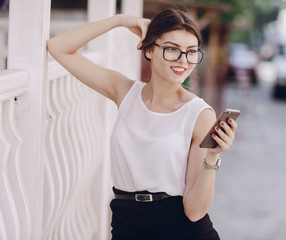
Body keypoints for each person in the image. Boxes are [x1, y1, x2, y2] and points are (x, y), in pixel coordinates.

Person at [47, 8, 238, 240]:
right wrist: (120, 20)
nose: (183, 60)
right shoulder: (124, 91)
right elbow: (58, 48)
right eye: (172, 49)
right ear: (148, 49)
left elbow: (195, 211)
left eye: (191, 52)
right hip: (127, 223)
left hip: (179, 229)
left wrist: (212, 157)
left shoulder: (199, 114)